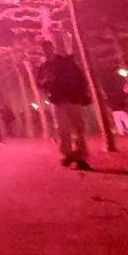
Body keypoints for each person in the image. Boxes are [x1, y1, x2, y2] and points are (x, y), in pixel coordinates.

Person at [35, 40, 92, 170]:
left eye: (48, 49)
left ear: (52, 48)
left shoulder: (66, 62)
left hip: (73, 98)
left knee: (79, 128)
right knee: (63, 130)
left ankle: (80, 156)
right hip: (58, 100)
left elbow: (80, 77)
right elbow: (39, 83)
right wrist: (46, 82)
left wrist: (83, 92)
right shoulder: (44, 67)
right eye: (44, 50)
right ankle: (66, 155)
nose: (46, 52)